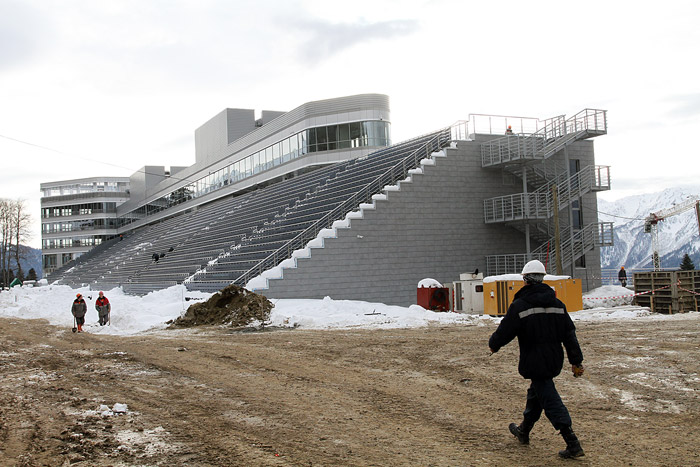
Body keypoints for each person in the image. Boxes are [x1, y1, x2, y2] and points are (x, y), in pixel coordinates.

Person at [488, 259, 585, 459]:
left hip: (534, 361)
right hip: (553, 359)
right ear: (542, 279)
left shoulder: (520, 305)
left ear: (525, 280)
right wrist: (576, 360)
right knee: (537, 393)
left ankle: (572, 442)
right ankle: (524, 430)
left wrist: (494, 345)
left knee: (550, 399)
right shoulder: (558, 305)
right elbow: (569, 334)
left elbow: (505, 330)